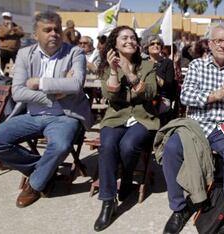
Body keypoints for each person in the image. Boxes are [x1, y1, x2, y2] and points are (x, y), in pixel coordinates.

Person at [160, 23, 224, 234]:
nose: (223, 45)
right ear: (210, 43)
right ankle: (179, 208)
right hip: (196, 125)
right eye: (218, 40)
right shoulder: (197, 65)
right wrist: (215, 95)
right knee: (171, 149)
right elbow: (185, 97)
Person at [0, 11, 93, 208]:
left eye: (57, 29)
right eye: (47, 30)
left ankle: (36, 183)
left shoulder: (75, 53)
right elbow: (18, 92)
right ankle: (42, 169)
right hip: (32, 115)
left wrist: (40, 82)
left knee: (61, 146)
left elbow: (76, 84)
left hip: (65, 116)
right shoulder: (24, 53)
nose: (54, 33)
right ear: (36, 34)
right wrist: (56, 92)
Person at [93, 26, 159, 232]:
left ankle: (128, 176)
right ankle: (107, 201)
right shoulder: (105, 67)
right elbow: (110, 96)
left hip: (143, 118)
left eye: (132, 38)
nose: (129, 41)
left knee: (129, 146)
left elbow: (150, 93)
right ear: (115, 43)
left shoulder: (148, 65)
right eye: (124, 38)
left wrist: (130, 74)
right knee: (108, 145)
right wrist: (114, 70)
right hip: (115, 118)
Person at [142, 35, 176, 126]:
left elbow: (169, 86)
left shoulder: (167, 63)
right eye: (152, 43)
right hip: (143, 97)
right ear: (147, 47)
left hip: (162, 98)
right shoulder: (142, 63)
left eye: (158, 43)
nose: (156, 45)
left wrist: (154, 76)